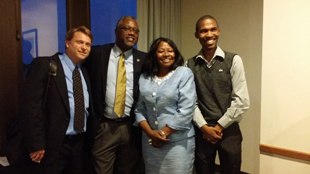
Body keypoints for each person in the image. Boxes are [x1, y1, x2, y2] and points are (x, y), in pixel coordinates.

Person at [21, 26, 94, 174]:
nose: (84, 47)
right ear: (67, 43)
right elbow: (30, 107)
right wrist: (36, 143)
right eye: (79, 42)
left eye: (88, 44)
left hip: (79, 144)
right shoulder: (45, 65)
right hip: (52, 145)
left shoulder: (84, 72)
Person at [186, 15, 250, 174]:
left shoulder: (233, 60)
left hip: (229, 131)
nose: (209, 34)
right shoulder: (189, 64)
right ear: (196, 35)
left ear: (219, 31)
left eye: (213, 29)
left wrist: (219, 126)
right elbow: (190, 102)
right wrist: (205, 128)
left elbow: (241, 101)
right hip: (203, 132)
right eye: (203, 31)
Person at [84, 16, 146, 174]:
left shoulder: (144, 59)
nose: (132, 33)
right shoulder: (97, 53)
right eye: (127, 28)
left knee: (128, 169)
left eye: (135, 30)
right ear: (116, 31)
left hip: (131, 127)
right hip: (105, 126)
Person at [134, 37, 196, 174]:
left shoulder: (184, 73)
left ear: (175, 53)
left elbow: (186, 109)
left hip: (178, 143)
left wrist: (162, 134)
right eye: (161, 51)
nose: (166, 54)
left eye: (170, 50)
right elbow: (139, 110)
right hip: (150, 143)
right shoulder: (144, 77)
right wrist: (151, 134)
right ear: (154, 55)